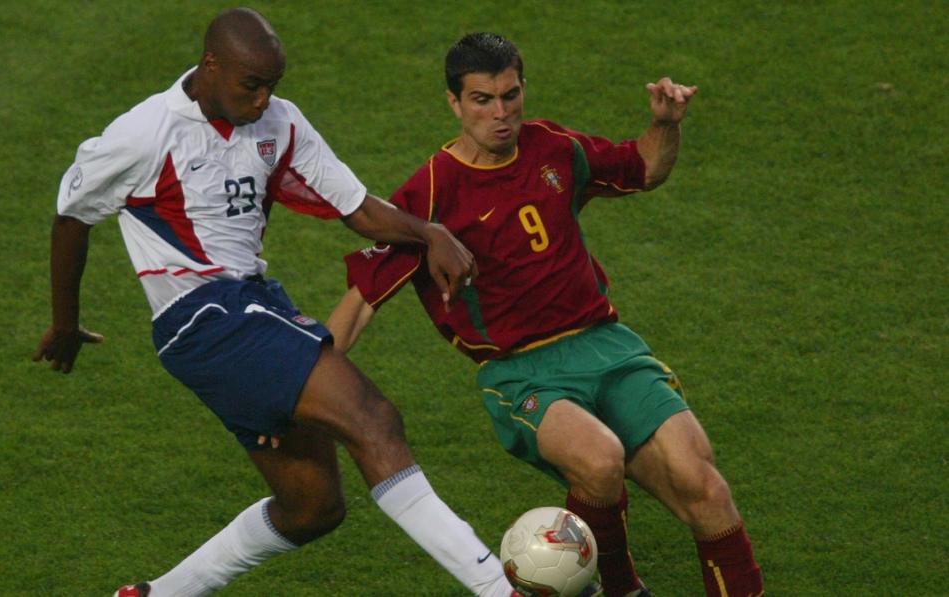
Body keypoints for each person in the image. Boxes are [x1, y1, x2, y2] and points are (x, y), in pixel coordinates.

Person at [32, 9, 519, 597]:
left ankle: (156, 594)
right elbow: (71, 217)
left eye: (272, 86)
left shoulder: (279, 122)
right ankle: (499, 588)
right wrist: (64, 324)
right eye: (251, 85)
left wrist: (430, 232)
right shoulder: (144, 133)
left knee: (313, 507)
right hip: (204, 317)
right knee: (374, 419)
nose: (264, 100)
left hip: (253, 307)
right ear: (210, 65)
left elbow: (357, 208)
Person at [327, 33, 764, 597]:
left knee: (705, 487)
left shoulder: (553, 146)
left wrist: (667, 123)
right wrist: (300, 391)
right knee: (600, 460)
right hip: (521, 372)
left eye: (510, 96)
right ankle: (621, 588)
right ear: (454, 103)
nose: (501, 113)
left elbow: (643, 168)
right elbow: (359, 305)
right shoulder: (428, 196)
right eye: (482, 100)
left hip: (608, 345)